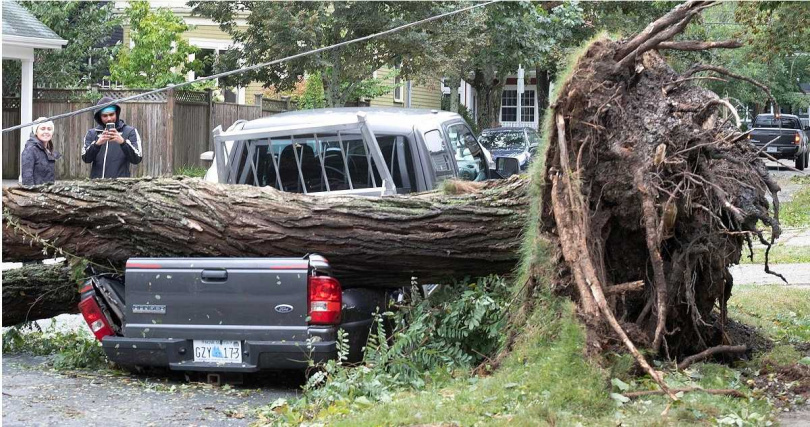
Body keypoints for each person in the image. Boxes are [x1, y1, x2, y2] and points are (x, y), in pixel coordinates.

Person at [81, 97, 143, 178]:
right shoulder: (92, 133)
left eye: (111, 114)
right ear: (100, 117)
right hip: (96, 186)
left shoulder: (130, 132)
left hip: (120, 186)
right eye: (105, 116)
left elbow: (137, 159)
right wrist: (97, 144)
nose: (109, 118)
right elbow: (86, 159)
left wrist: (123, 142)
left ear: (116, 113)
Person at [20, 117, 62, 186]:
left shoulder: (49, 150)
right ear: (36, 132)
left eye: (49, 129)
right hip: (36, 194)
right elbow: (27, 179)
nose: (46, 132)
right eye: (42, 129)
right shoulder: (30, 150)